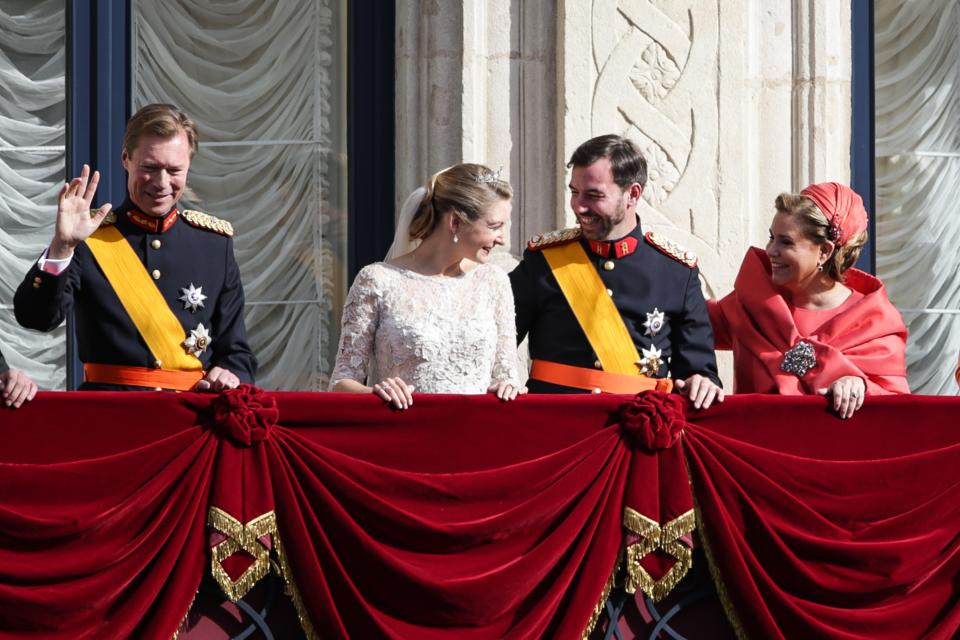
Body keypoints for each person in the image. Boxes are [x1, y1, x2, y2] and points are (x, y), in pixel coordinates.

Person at [14, 103, 256, 391]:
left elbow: (237, 353)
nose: (162, 183)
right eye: (150, 168)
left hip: (191, 421)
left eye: (174, 170)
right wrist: (62, 247)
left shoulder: (214, 245)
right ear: (126, 159)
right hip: (111, 420)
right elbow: (36, 318)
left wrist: (229, 374)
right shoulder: (89, 238)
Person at [509, 134, 723, 408]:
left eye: (594, 195)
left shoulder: (677, 272)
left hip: (635, 432)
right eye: (574, 192)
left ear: (633, 194)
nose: (578, 206)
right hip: (555, 426)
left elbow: (698, 369)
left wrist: (701, 381)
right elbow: (491, 343)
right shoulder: (544, 261)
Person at [329, 163, 524, 409]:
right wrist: (374, 392)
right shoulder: (376, 280)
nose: (502, 239)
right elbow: (341, 382)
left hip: (476, 435)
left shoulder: (495, 282)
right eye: (495, 226)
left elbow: (507, 378)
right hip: (403, 433)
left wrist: (509, 388)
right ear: (455, 222)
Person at [708, 182, 909, 418]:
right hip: (752, 450)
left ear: (824, 251)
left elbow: (899, 412)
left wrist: (860, 386)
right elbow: (684, 320)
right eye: (772, 238)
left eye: (786, 242)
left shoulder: (877, 323)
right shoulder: (754, 301)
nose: (771, 250)